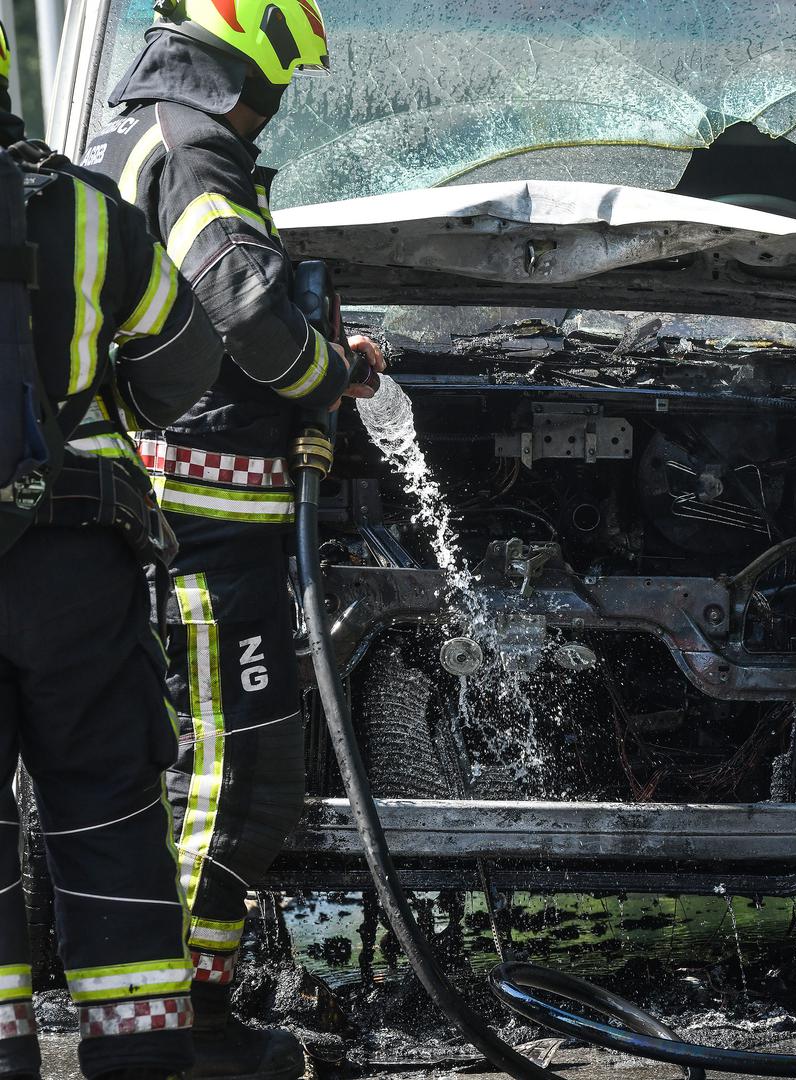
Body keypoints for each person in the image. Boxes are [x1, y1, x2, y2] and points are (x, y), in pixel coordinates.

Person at [85, 3, 384, 1076]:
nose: (276, 107)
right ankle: (186, 1031)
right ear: (242, 48)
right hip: (204, 519)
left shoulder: (149, 132)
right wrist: (327, 376)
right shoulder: (195, 144)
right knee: (240, 773)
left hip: (190, 513)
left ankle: (185, 1014)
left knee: (214, 771)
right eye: (278, 82)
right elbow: (240, 302)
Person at [0, 16, 223, 1078]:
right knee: (109, 802)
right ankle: (138, 1055)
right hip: (72, 565)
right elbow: (185, 358)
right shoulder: (85, 213)